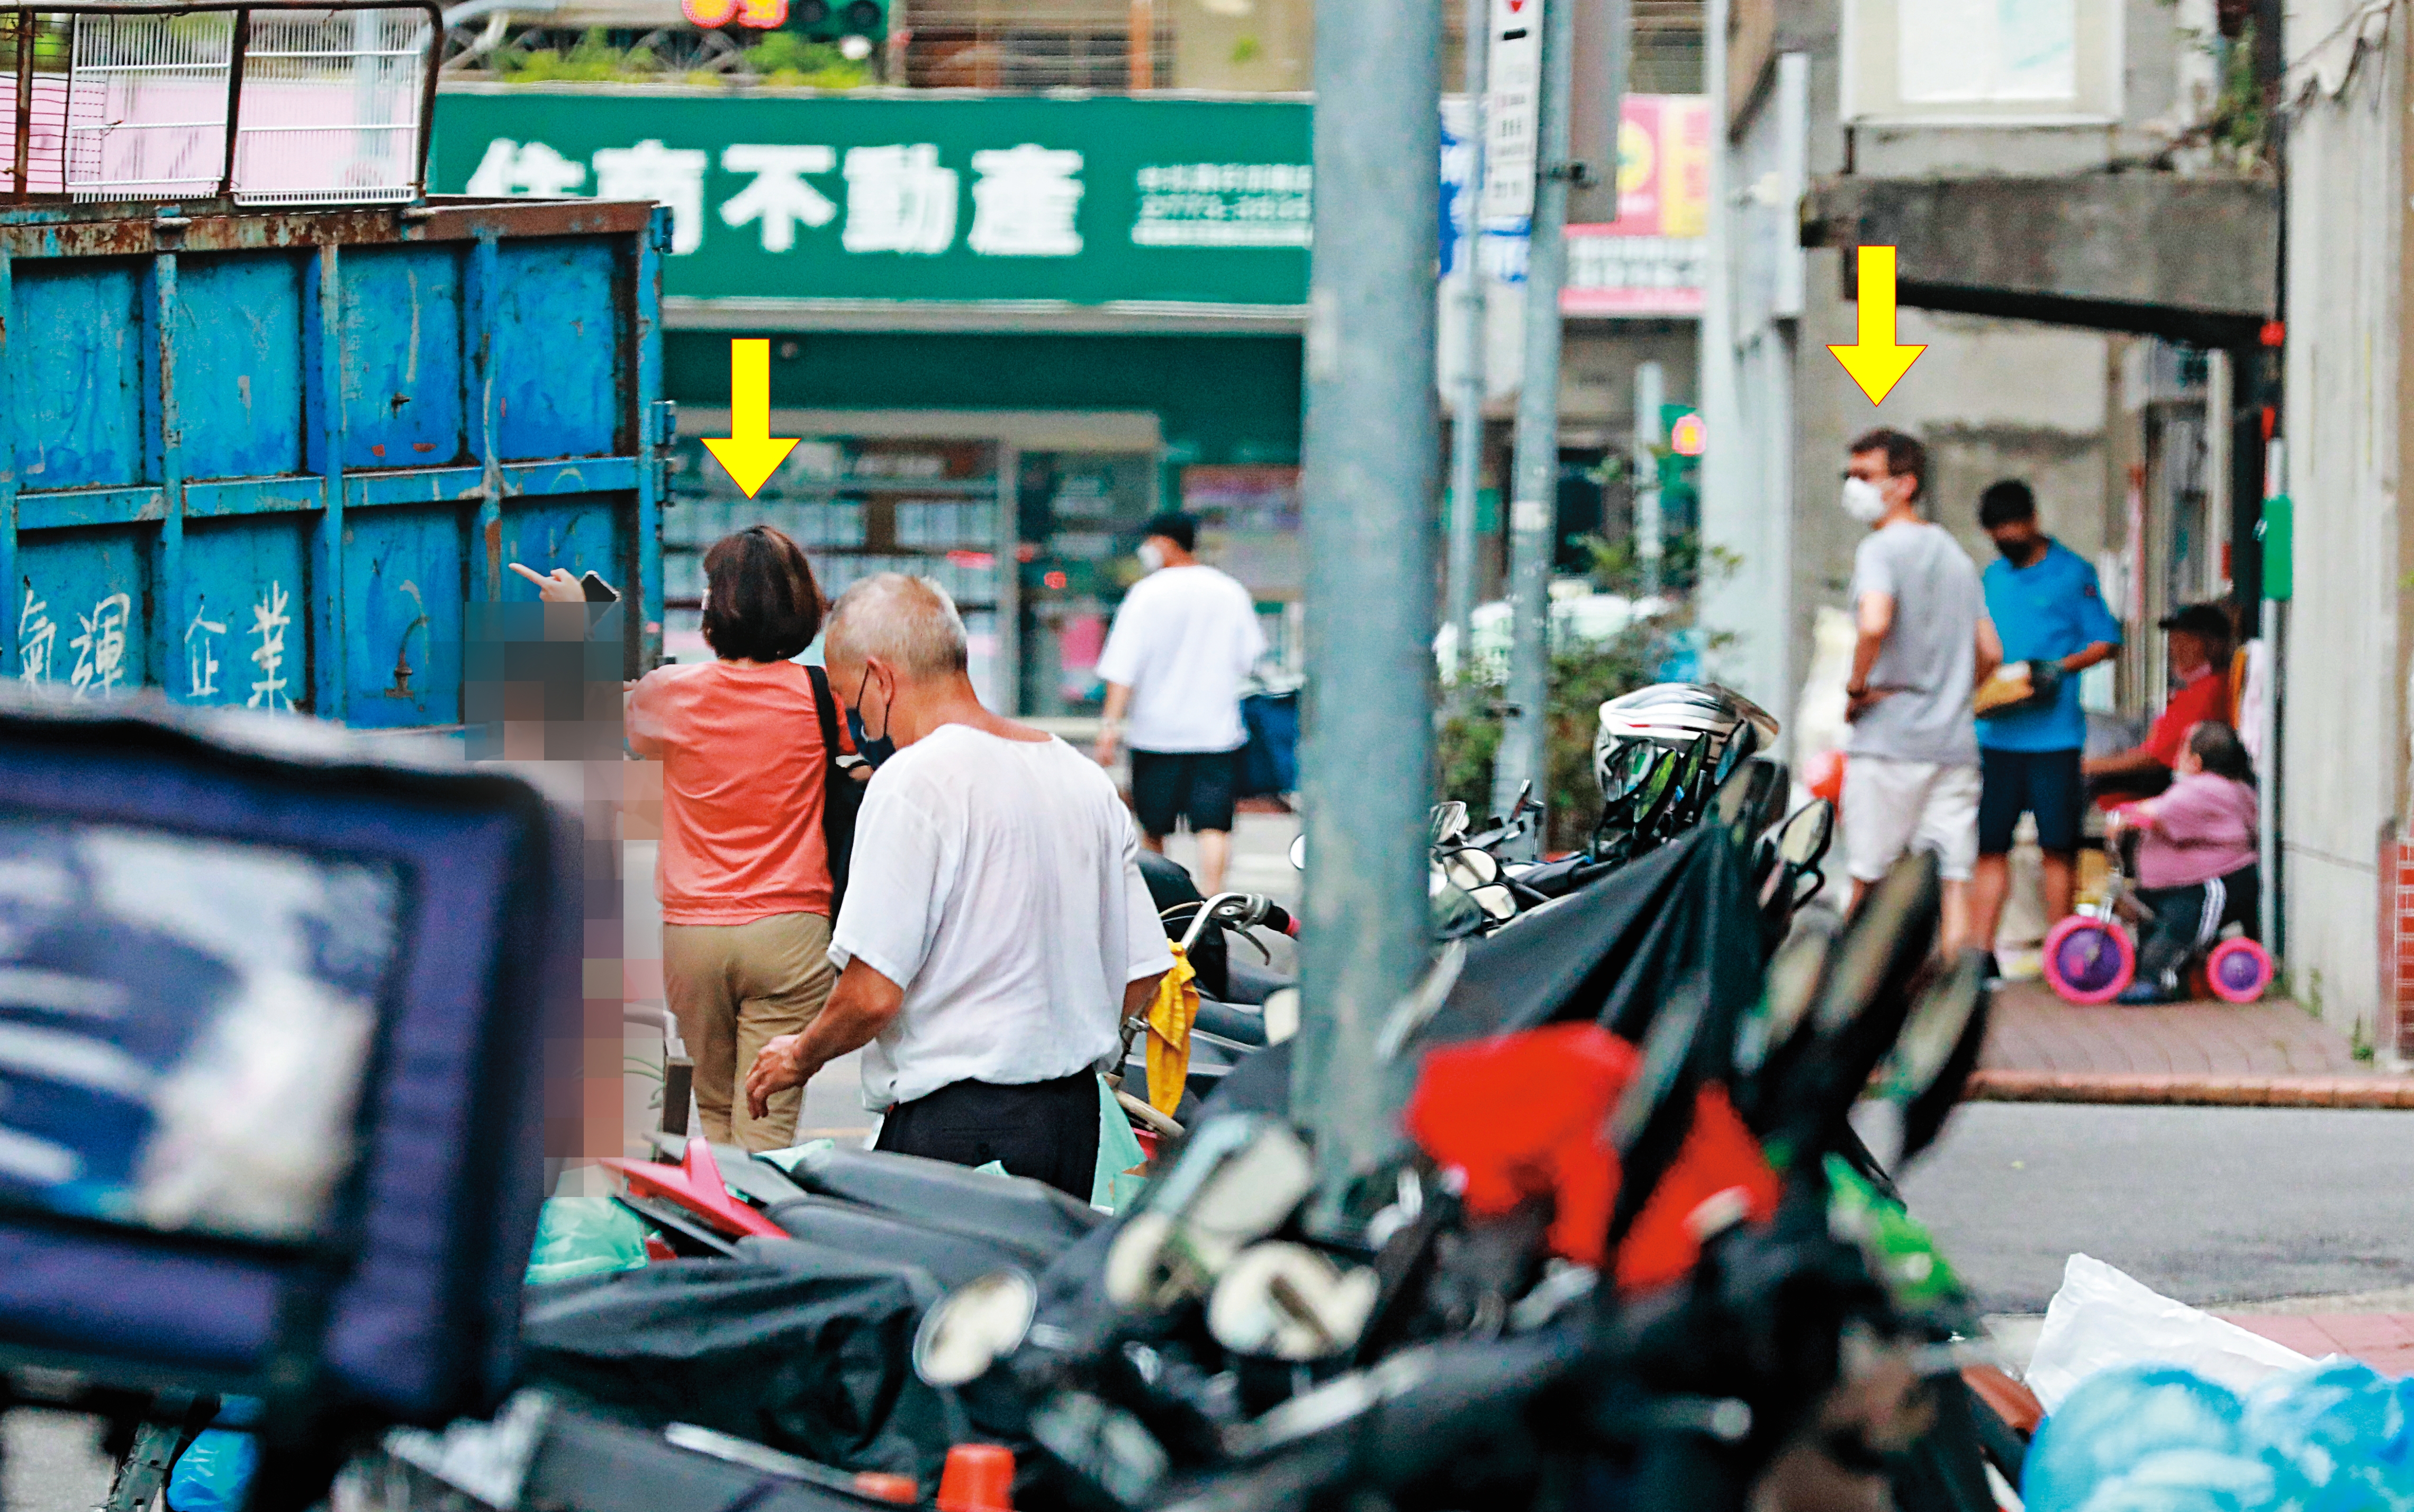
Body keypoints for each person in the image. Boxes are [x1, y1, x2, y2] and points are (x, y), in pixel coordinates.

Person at [745, 574, 1172, 1198]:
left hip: (958, 1128)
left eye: (847, 696)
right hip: (1073, 1121)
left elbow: (871, 994)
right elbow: (1144, 970)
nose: (854, 716)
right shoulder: (1081, 778)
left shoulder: (913, 782)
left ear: (880, 678)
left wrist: (800, 1056)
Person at [621, 527, 849, 1153]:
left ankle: (716, 1236)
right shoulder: (822, 695)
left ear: (713, 606)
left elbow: (577, 726)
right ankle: (757, 1236)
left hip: (692, 932)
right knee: (768, 1122)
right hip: (792, 926)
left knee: (712, 1110)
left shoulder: (666, 695)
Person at [1839, 428, 2002, 952]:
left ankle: (1847, 1007)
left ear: (1904, 484)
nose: (1853, 486)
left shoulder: (1880, 550)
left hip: (1888, 742)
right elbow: (1992, 652)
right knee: (1952, 884)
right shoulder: (1955, 555)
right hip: (1953, 747)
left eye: (1865, 476)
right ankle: (1951, 1006)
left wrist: (1856, 686)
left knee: (1868, 877)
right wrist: (1953, 692)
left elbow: (1874, 621)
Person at [1969, 480, 2123, 971]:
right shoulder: (1990, 578)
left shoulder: (2072, 573)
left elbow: (2105, 640)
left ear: (2032, 521)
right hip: (1995, 738)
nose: (2005, 539)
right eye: (1996, 532)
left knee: (2057, 848)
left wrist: (2059, 668)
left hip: (2054, 740)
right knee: (1988, 846)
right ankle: (1981, 953)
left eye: (2011, 528)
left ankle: (2062, 953)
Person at [1093, 511, 1267, 895]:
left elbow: (1123, 668)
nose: (1146, 550)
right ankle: (1213, 902)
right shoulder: (1228, 590)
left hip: (1156, 733)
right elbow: (1250, 658)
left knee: (1154, 826)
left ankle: (1164, 905)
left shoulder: (1146, 594)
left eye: (1150, 541)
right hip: (1216, 731)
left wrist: (1109, 726)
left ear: (1167, 543)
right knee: (1214, 825)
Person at [2107, 721, 2260, 1004]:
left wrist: (2125, 816)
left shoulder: (2205, 789)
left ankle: (2158, 980)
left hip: (2211, 882)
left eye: (2183, 748)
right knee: (2155, 927)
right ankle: (2158, 974)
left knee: (2181, 930)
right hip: (2182, 884)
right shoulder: (2228, 788)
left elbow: (2159, 812)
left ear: (2196, 761)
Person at [2085, 603, 2235, 804]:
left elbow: (2153, 759)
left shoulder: (2210, 689)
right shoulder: (2197, 687)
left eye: (2189, 641)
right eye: (2175, 639)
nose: (2177, 649)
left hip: (2165, 782)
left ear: (2214, 645)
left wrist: (2085, 766)